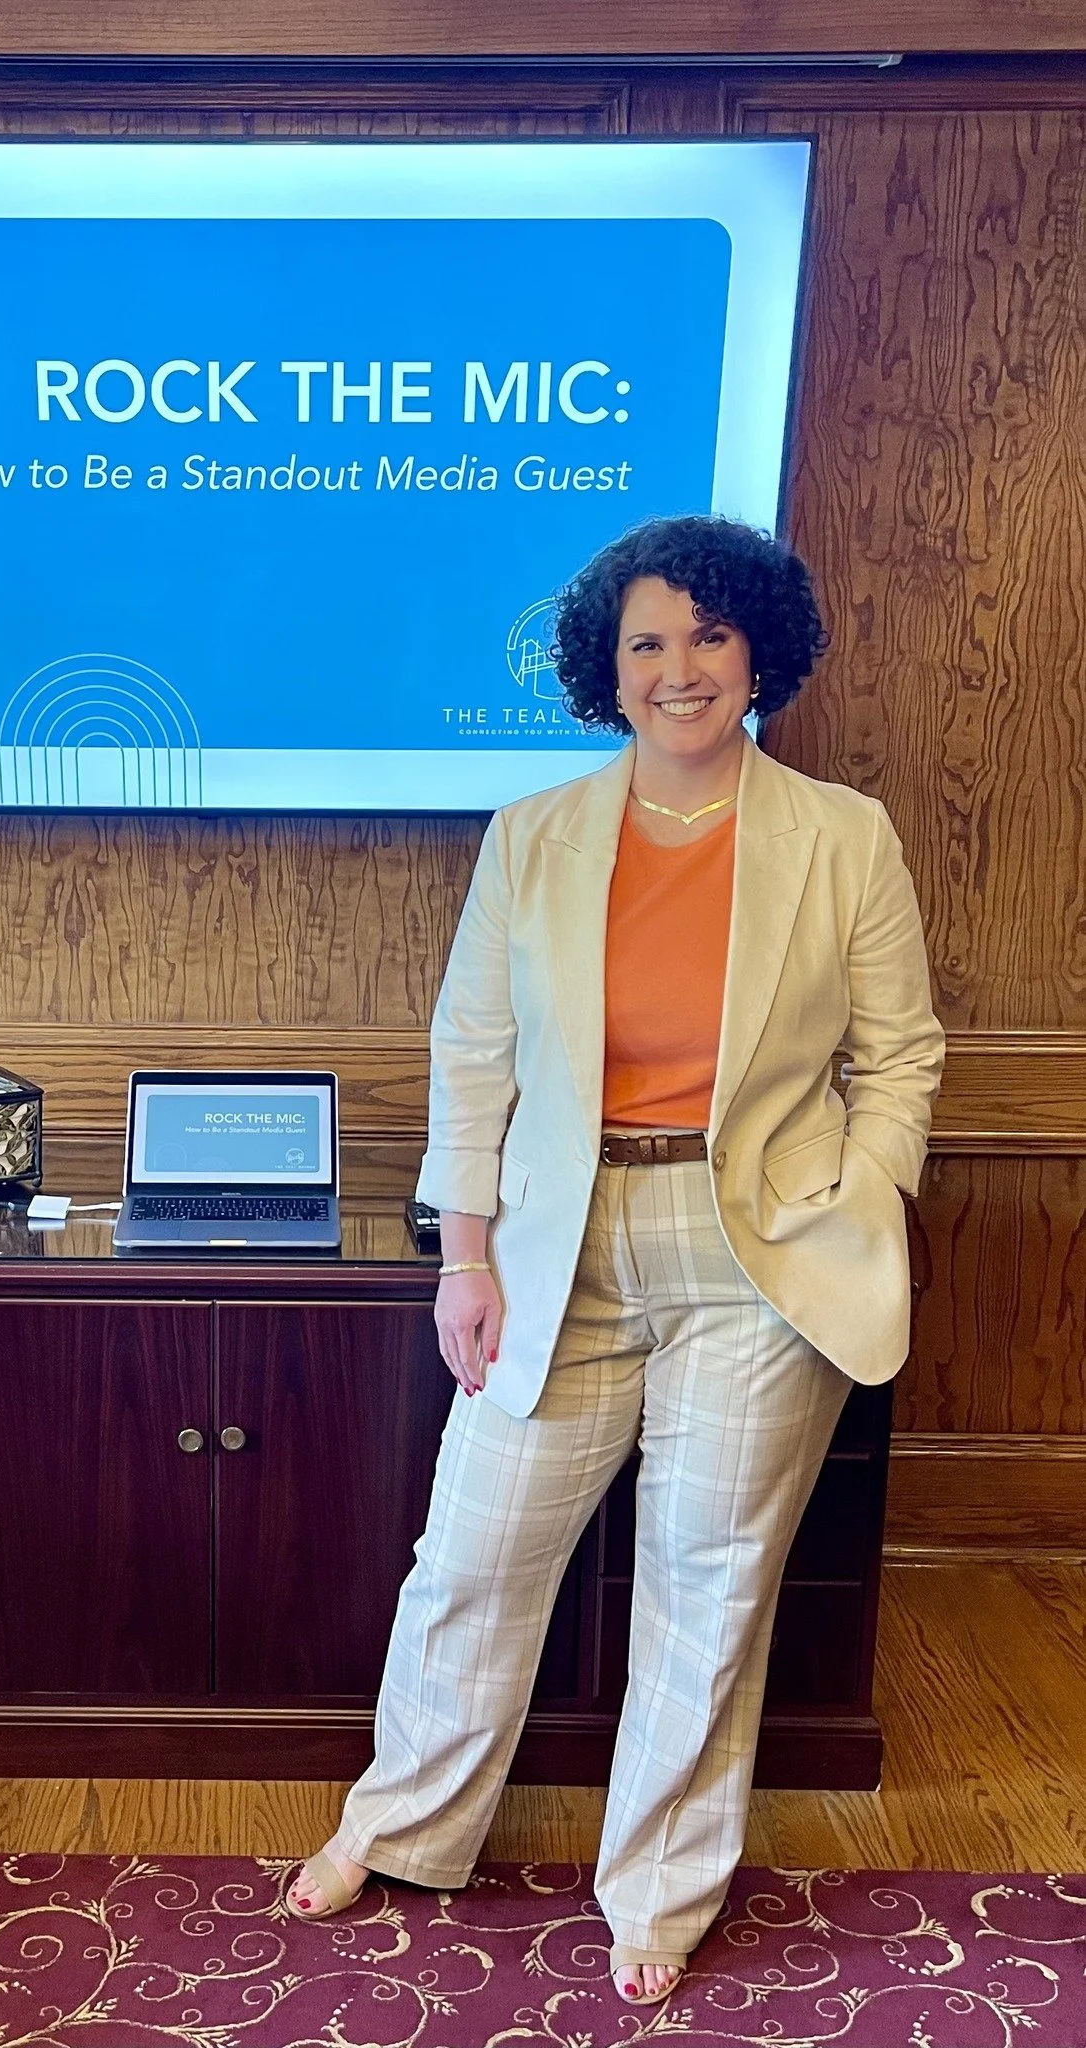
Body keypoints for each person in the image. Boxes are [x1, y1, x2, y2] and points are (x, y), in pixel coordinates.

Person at [283, 513, 947, 2000]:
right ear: (605, 668)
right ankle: (398, 1824)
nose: (678, 667)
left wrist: (860, 1187)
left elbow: (899, 1054)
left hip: (755, 1256)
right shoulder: (533, 835)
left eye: (707, 636)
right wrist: (465, 1257)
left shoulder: (842, 836)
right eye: (646, 641)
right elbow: (472, 1054)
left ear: (757, 650)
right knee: (468, 1559)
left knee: (706, 1593)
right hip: (552, 1253)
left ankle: (655, 1893)